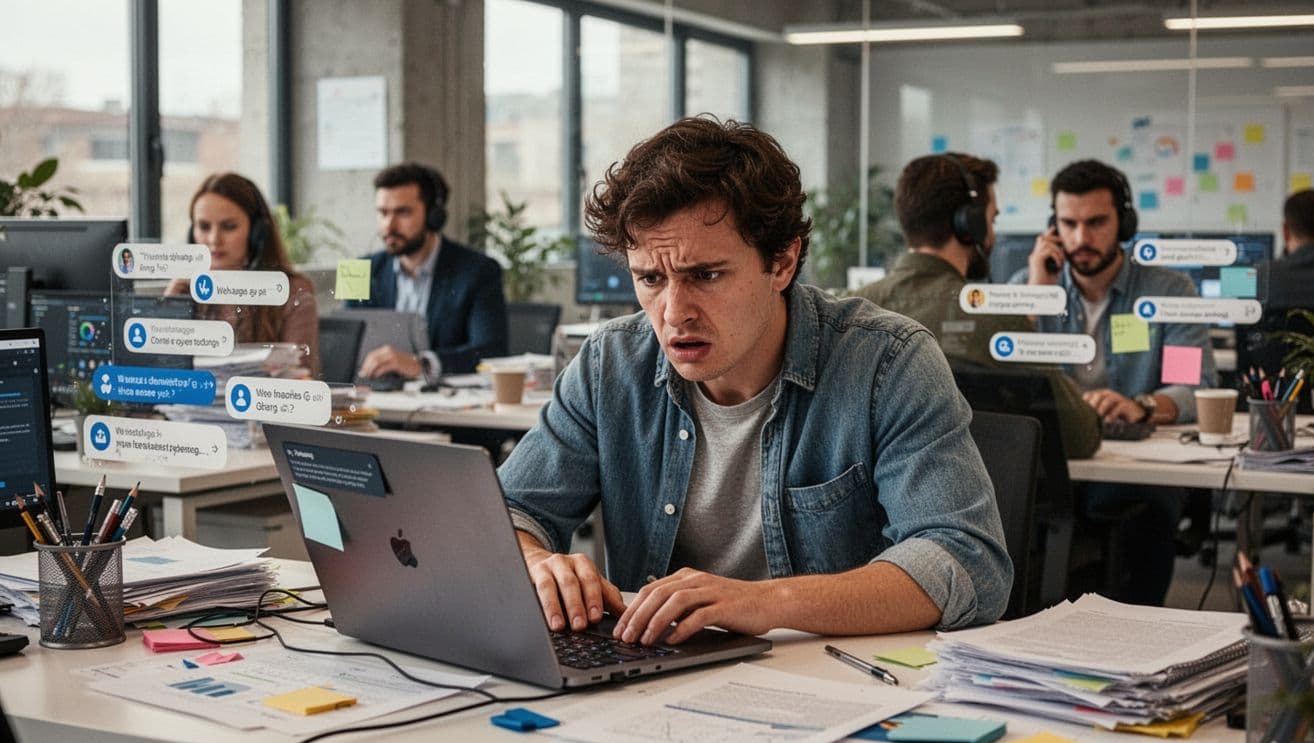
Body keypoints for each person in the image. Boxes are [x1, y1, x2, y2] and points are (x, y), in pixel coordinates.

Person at [497, 117, 1011, 646]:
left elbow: (964, 558)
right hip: (651, 680)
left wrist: (764, 602)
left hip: (837, 687)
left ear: (782, 262)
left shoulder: (887, 363)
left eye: (706, 275)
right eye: (650, 279)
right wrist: (537, 563)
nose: (674, 313)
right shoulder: (611, 364)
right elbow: (510, 512)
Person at [1015, 159, 1214, 605]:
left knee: (1138, 510)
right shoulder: (1029, 286)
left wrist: (1142, 405)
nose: (1081, 239)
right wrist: (1035, 295)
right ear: (1053, 227)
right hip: (1058, 463)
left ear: (1123, 222)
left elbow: (1193, 384)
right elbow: (1009, 381)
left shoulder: (1169, 292)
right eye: (1068, 224)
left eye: (1097, 222)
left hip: (1135, 465)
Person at [851, 153, 1100, 459]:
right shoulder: (996, 319)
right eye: (992, 219)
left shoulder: (853, 313)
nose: (992, 233)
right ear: (970, 224)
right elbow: (1081, 437)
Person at [346, 163, 508, 381]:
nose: (389, 225)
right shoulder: (356, 271)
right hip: (372, 400)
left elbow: (492, 352)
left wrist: (422, 364)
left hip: (441, 406)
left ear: (434, 216)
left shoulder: (480, 271)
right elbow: (345, 347)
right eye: (383, 213)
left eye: (402, 213)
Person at [169, 173, 320, 376]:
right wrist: (168, 308)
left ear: (257, 234)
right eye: (204, 227)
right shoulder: (188, 292)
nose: (214, 239)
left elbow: (300, 377)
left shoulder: (292, 291)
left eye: (229, 227)